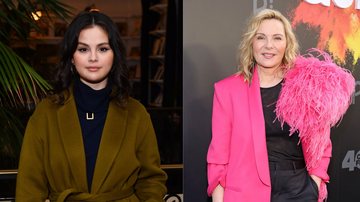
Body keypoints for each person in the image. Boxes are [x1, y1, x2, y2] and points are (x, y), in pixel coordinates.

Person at [16, 10, 167, 201]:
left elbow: (151, 181)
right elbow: (29, 187)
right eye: (83, 49)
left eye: (103, 49)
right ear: (71, 56)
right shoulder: (46, 113)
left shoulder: (136, 113)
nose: (93, 58)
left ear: (115, 55)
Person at [207, 9, 354, 202]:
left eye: (277, 38)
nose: (269, 46)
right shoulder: (227, 90)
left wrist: (313, 185)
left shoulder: (305, 86)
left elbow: (321, 145)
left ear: (287, 44)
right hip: (245, 193)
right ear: (251, 43)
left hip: (299, 191)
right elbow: (218, 157)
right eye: (261, 37)